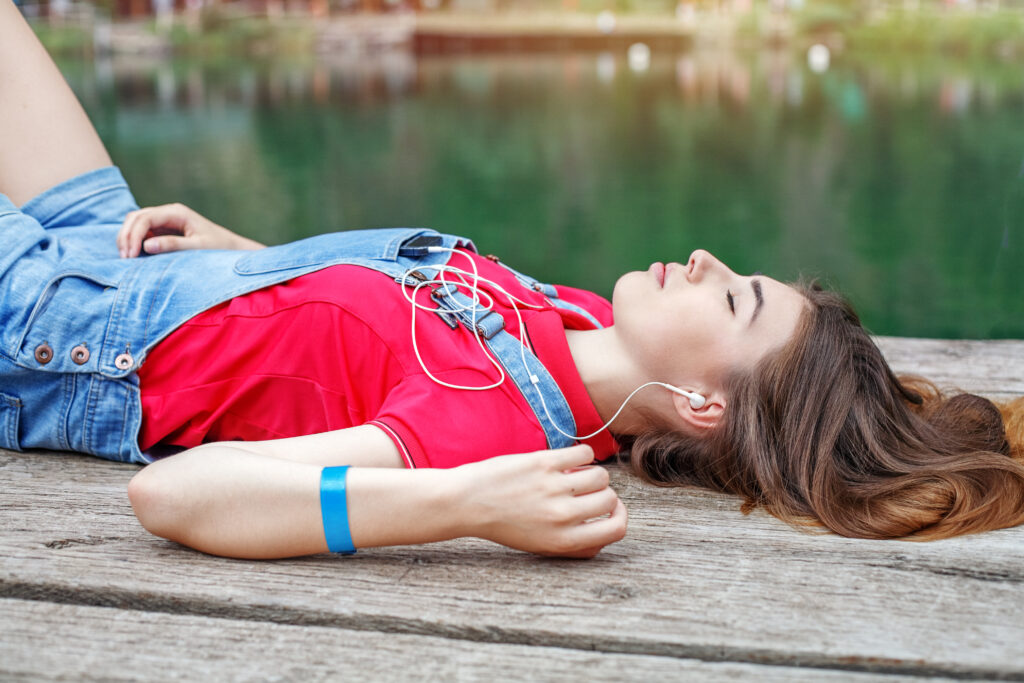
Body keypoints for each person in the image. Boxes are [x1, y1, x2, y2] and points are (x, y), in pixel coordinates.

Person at [4, 2, 1024, 562]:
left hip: (52, 327)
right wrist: (246, 255)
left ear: (703, 401)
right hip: (129, 250)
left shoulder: (485, 429)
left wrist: (462, 503)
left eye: (729, 299)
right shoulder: (569, 319)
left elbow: (171, 493)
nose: (708, 259)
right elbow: (359, 320)